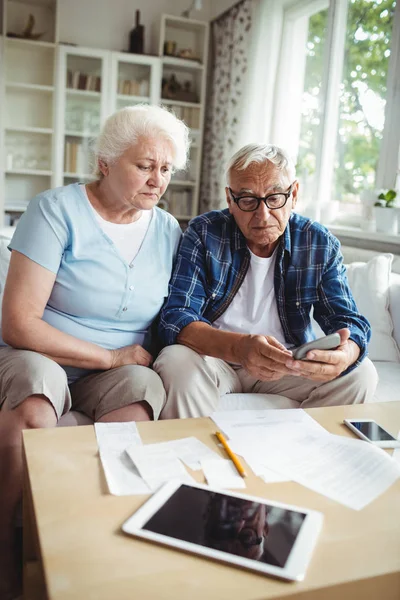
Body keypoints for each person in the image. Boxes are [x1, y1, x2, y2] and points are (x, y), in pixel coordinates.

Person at [0, 104, 189, 599]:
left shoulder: (168, 229)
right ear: (105, 162)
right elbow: (19, 323)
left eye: (166, 169)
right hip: (38, 355)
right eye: (145, 165)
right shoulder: (55, 209)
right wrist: (108, 357)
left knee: (144, 388)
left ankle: (81, 534)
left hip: (118, 371)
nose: (158, 180)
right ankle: (4, 542)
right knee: (39, 391)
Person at [154, 143, 378, 419]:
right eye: (247, 200)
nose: (262, 215)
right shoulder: (205, 232)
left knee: (362, 373)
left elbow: (349, 320)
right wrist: (238, 347)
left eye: (275, 198)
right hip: (215, 358)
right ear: (230, 199)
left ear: (293, 195)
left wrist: (347, 352)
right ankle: (192, 454)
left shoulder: (318, 242)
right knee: (175, 361)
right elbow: (175, 317)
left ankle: (300, 453)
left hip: (287, 362)